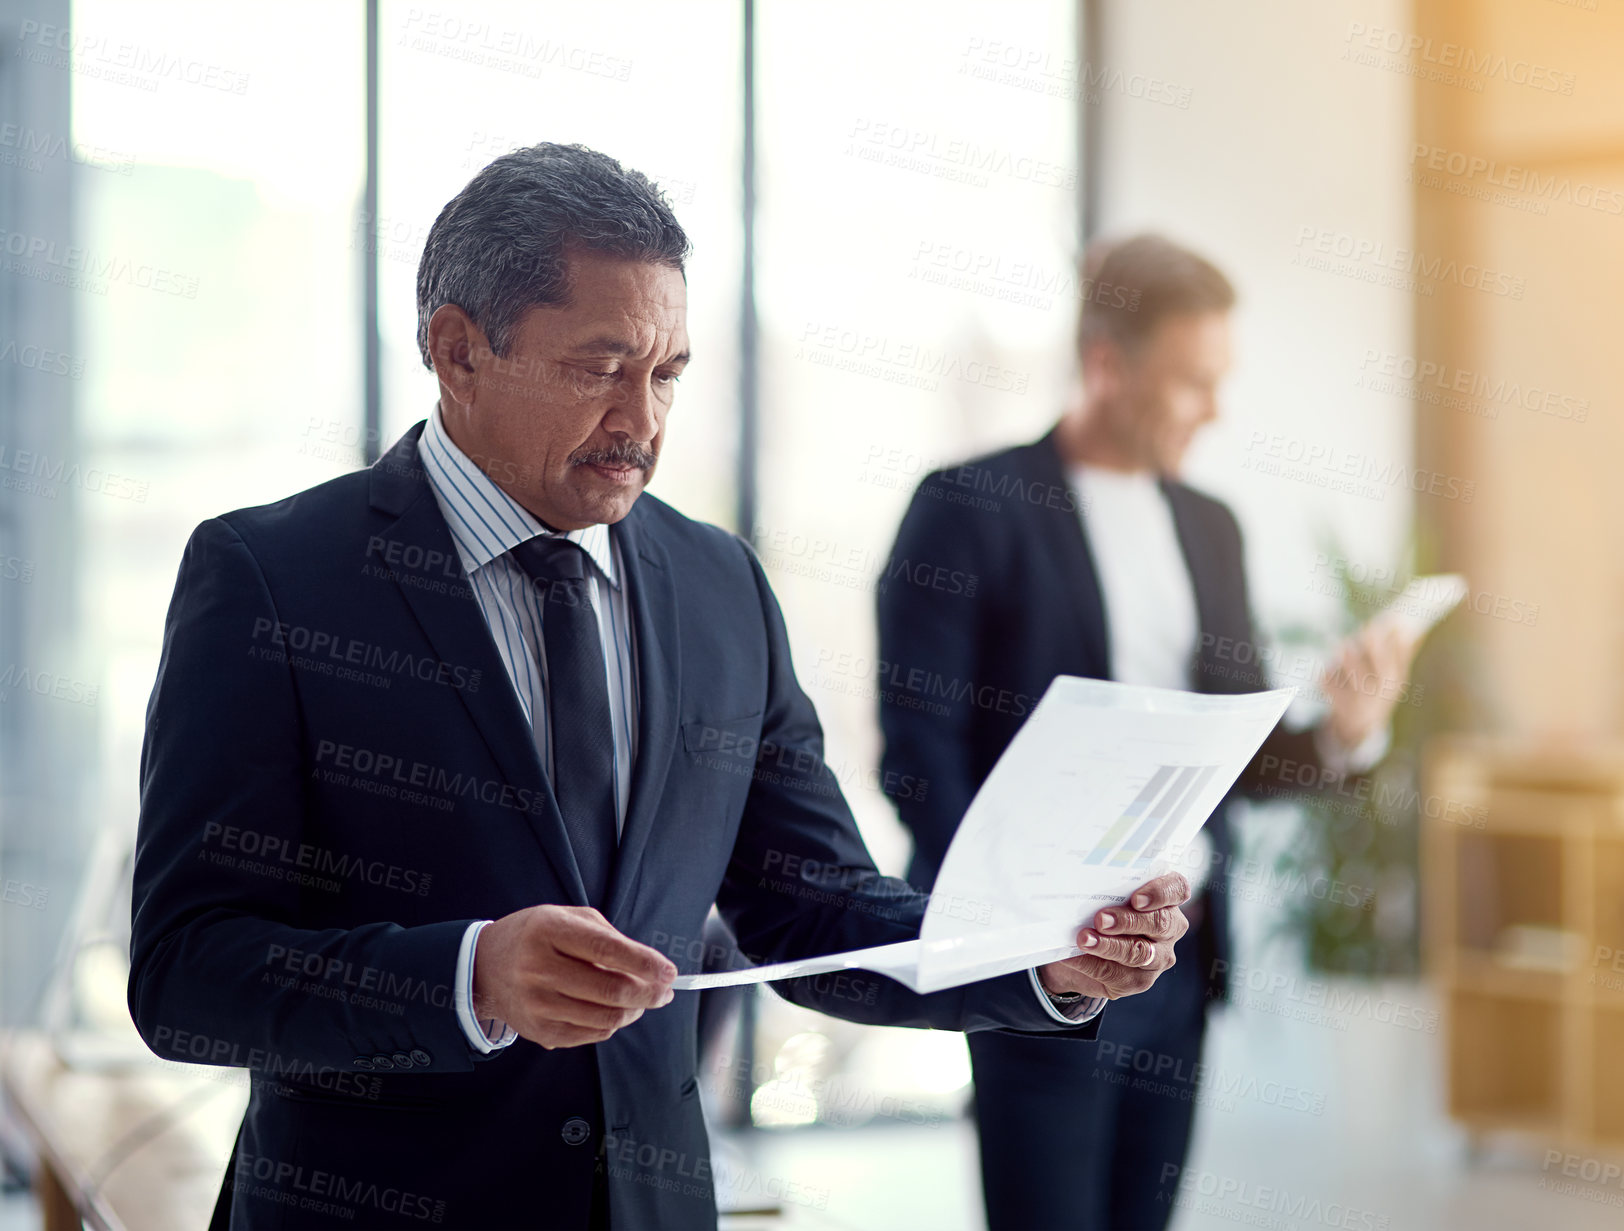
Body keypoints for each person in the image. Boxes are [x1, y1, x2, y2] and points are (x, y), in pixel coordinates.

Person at [127, 146, 1192, 1231]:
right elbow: (184, 972)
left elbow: (811, 905)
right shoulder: (272, 577)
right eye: (601, 367)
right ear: (457, 351)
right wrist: (470, 978)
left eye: (669, 372)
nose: (643, 419)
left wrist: (1039, 952)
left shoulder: (718, 584)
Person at [876, 234, 1418, 1231]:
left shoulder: (1210, 524)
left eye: (1220, 381)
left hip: (1176, 956)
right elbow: (920, 754)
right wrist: (1006, 931)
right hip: (1037, 957)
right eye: (1188, 383)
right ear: (1104, 366)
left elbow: (1237, 752)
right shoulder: (969, 508)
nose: (1212, 409)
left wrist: (1345, 732)